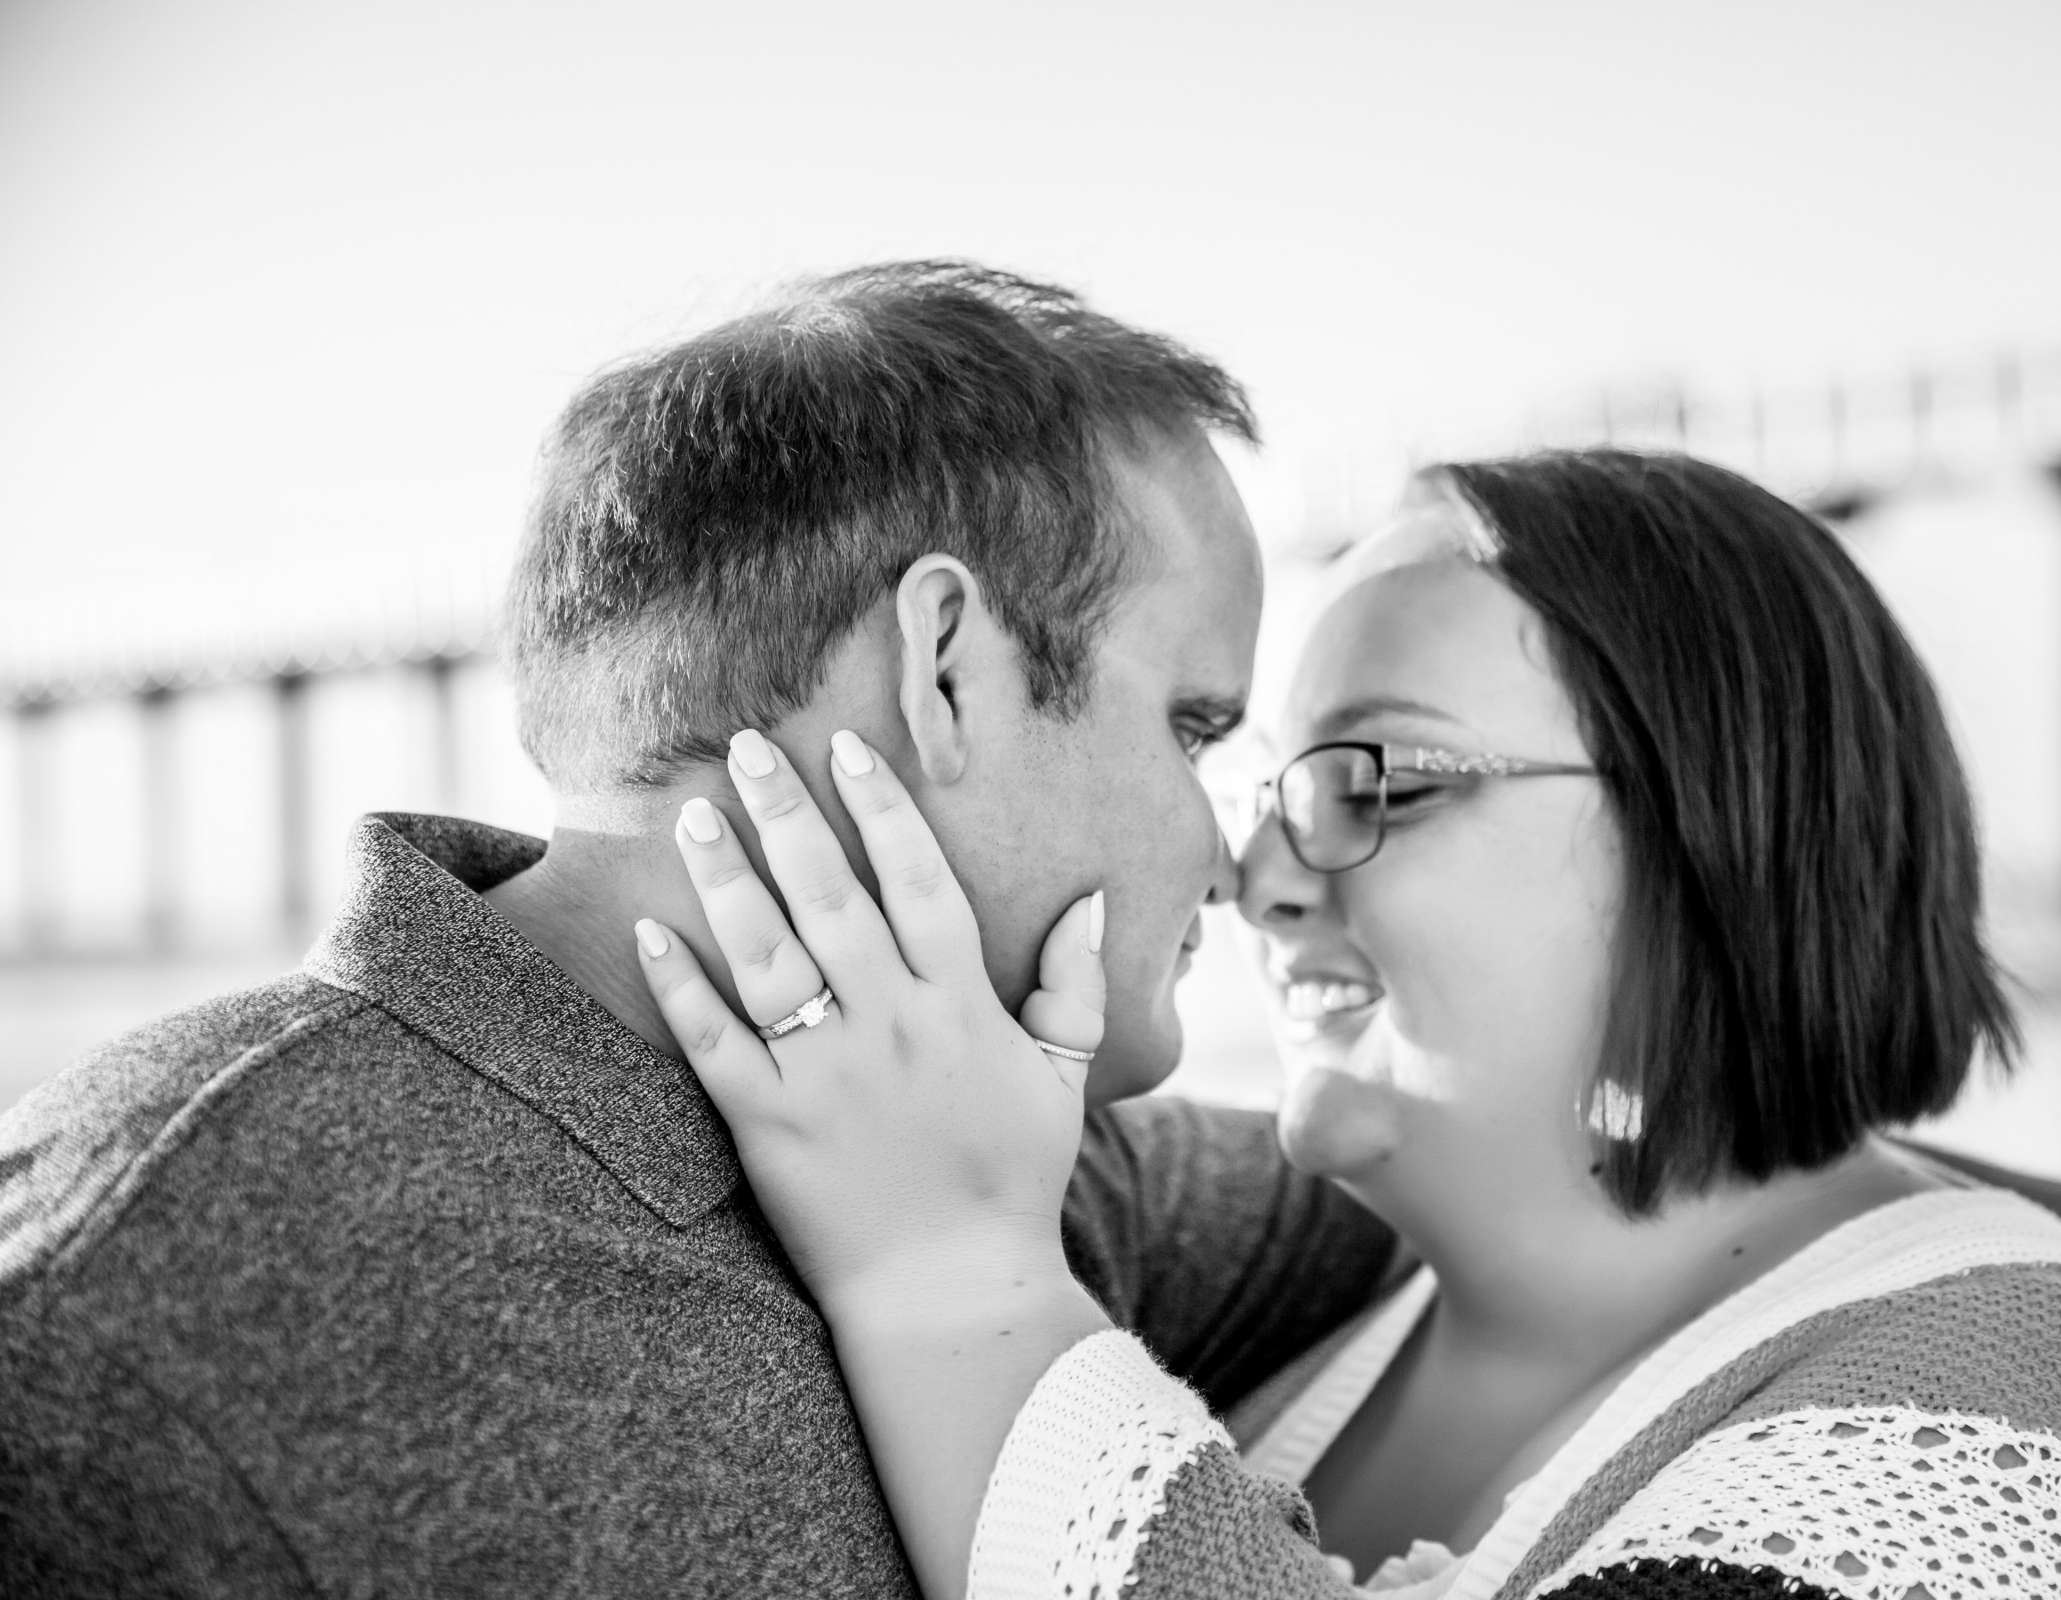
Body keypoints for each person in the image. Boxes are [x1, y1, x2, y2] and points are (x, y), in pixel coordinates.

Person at [640, 449, 2061, 1599]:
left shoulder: (2043, 1430)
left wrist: (948, 1277)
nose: (1250, 874)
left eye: (1371, 779)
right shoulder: (1311, 1327)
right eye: (1256, 782)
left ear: (1715, 825)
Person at [0, 262, 1401, 1596]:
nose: (1230, 857)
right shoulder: (135, 1296)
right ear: (949, 671)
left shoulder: (1021, 1165)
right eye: (1194, 727)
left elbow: (1464, 1183)